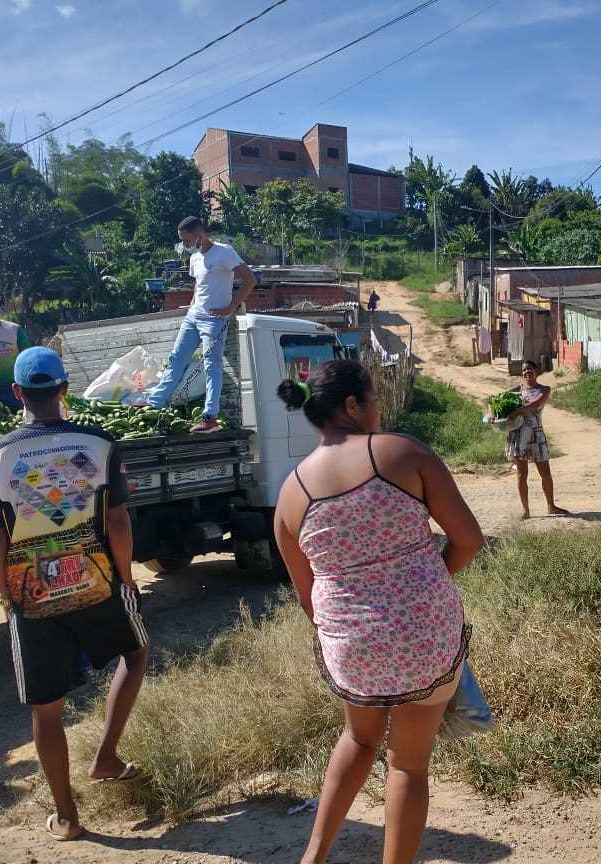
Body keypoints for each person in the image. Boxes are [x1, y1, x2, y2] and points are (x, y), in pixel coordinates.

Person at [273, 360, 484, 864]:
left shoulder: (290, 493)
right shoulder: (402, 453)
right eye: (373, 398)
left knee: (358, 737)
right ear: (351, 405)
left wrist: (357, 630)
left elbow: (308, 596)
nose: (379, 407)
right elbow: (469, 541)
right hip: (425, 637)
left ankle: (313, 857)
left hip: (350, 646)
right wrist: (421, 589)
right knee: (408, 765)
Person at [0, 347, 149, 841]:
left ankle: (67, 817)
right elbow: (117, 520)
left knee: (47, 710)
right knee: (134, 654)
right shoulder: (100, 444)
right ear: (65, 390)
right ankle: (106, 756)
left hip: (31, 594)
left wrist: (7, 594)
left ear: (18, 393)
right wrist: (126, 577)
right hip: (96, 580)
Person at [141, 216, 257, 433]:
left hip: (214, 320)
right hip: (193, 317)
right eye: (181, 240)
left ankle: (210, 417)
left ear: (199, 235)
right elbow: (199, 285)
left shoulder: (225, 252)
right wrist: (192, 306)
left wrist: (230, 307)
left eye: (186, 240)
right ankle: (155, 403)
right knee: (176, 358)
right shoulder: (194, 258)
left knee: (211, 364)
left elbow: (250, 280)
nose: (184, 244)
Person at [506, 360, 570, 520]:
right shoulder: (516, 391)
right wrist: (495, 414)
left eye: (530, 369)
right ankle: (526, 510)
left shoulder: (544, 390)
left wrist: (517, 410)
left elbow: (535, 404)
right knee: (521, 474)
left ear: (536, 371)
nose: (527, 372)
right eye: (524, 370)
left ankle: (551, 506)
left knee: (545, 473)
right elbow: (500, 401)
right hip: (518, 436)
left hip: (536, 435)